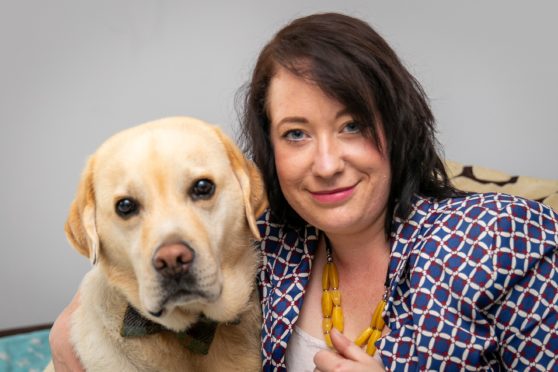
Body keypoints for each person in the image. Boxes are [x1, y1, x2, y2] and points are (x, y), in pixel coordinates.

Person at [50, 12, 558, 371]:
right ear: (268, 154)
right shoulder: (262, 245)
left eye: (353, 125)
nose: (327, 163)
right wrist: (66, 343)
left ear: (398, 126)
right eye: (296, 133)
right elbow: (120, 280)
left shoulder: (505, 236)